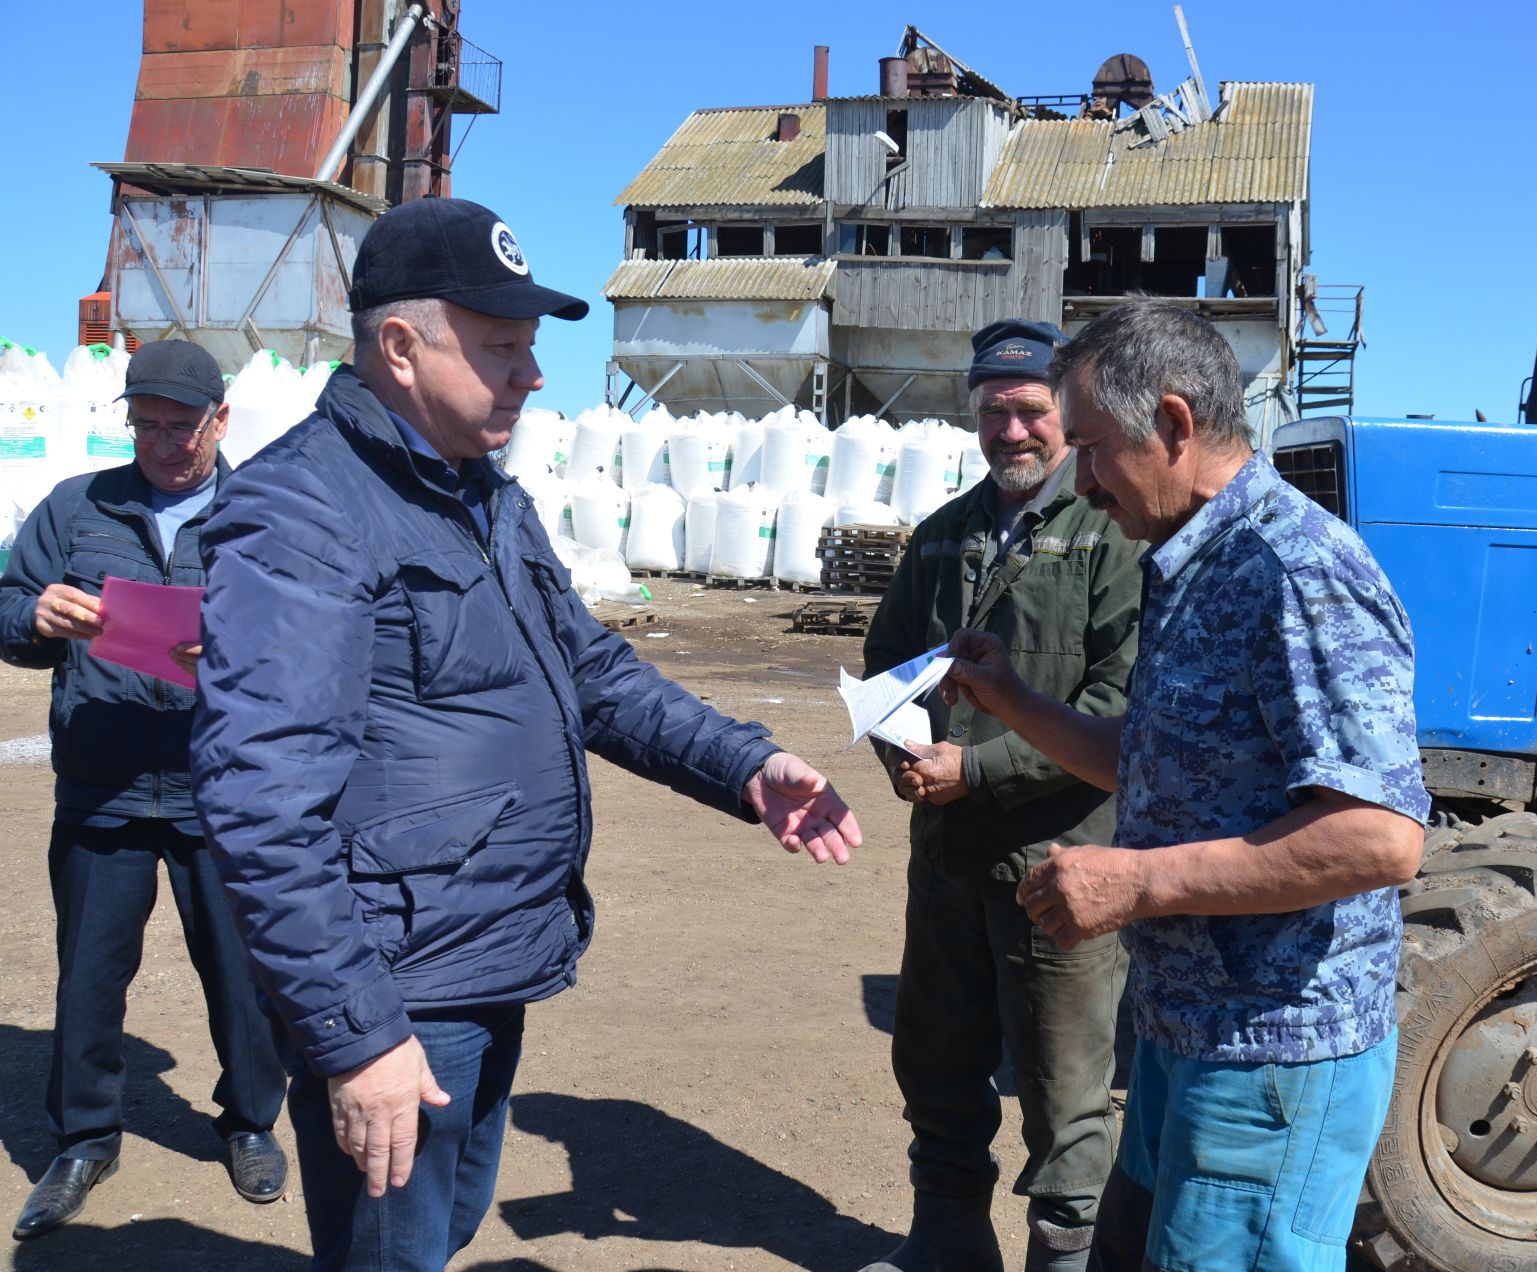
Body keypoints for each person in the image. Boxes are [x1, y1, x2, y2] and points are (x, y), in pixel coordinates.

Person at [186, 197, 862, 1272]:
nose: (533, 376)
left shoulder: (480, 496)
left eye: (530, 349)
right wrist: (359, 1038)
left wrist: (742, 765)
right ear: (400, 348)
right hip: (399, 986)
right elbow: (259, 803)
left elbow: (591, 672)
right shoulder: (304, 514)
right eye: (502, 349)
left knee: (438, 1236)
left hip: (485, 962)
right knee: (390, 1258)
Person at [940, 299, 1429, 1272]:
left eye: (1091, 448)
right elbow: (1157, 760)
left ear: (1172, 425)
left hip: (1274, 1049)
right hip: (1187, 1031)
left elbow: (1381, 838)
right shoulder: (1187, 559)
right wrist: (1010, 698)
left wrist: (1138, 884)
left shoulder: (1292, 569)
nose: (1079, 480)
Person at [859, 319, 1143, 1272]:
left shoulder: (1112, 534)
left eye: (1030, 412)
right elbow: (886, 665)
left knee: (1066, 1095)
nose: (1012, 432)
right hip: (945, 862)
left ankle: (1064, 1259)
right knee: (936, 1067)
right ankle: (947, 1246)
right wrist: (904, 753)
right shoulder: (941, 539)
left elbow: (1120, 707)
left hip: (1061, 867)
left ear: (1065, 414)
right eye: (993, 414)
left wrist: (976, 768)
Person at [0, 340, 288, 1241]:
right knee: (89, 975)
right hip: (104, 784)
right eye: (146, 425)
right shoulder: (76, 507)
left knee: (243, 977)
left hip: (224, 790)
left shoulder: (265, 517)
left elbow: (318, 640)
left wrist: (242, 654)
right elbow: (7, 605)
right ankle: (84, 1138)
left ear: (221, 420)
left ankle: (249, 1122)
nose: (164, 444)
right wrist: (34, 617)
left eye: (182, 426)